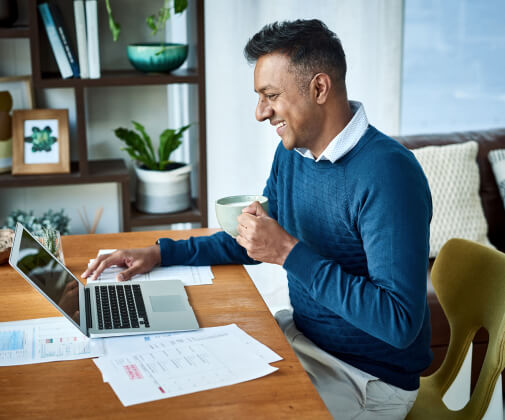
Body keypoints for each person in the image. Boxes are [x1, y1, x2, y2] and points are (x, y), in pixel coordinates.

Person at [82, 19, 432, 419]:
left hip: (367, 380)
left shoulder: (388, 174)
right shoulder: (293, 153)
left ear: (319, 88)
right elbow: (255, 239)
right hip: (303, 341)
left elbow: (399, 322)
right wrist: (161, 253)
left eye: (271, 95)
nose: (260, 112)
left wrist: (288, 252)